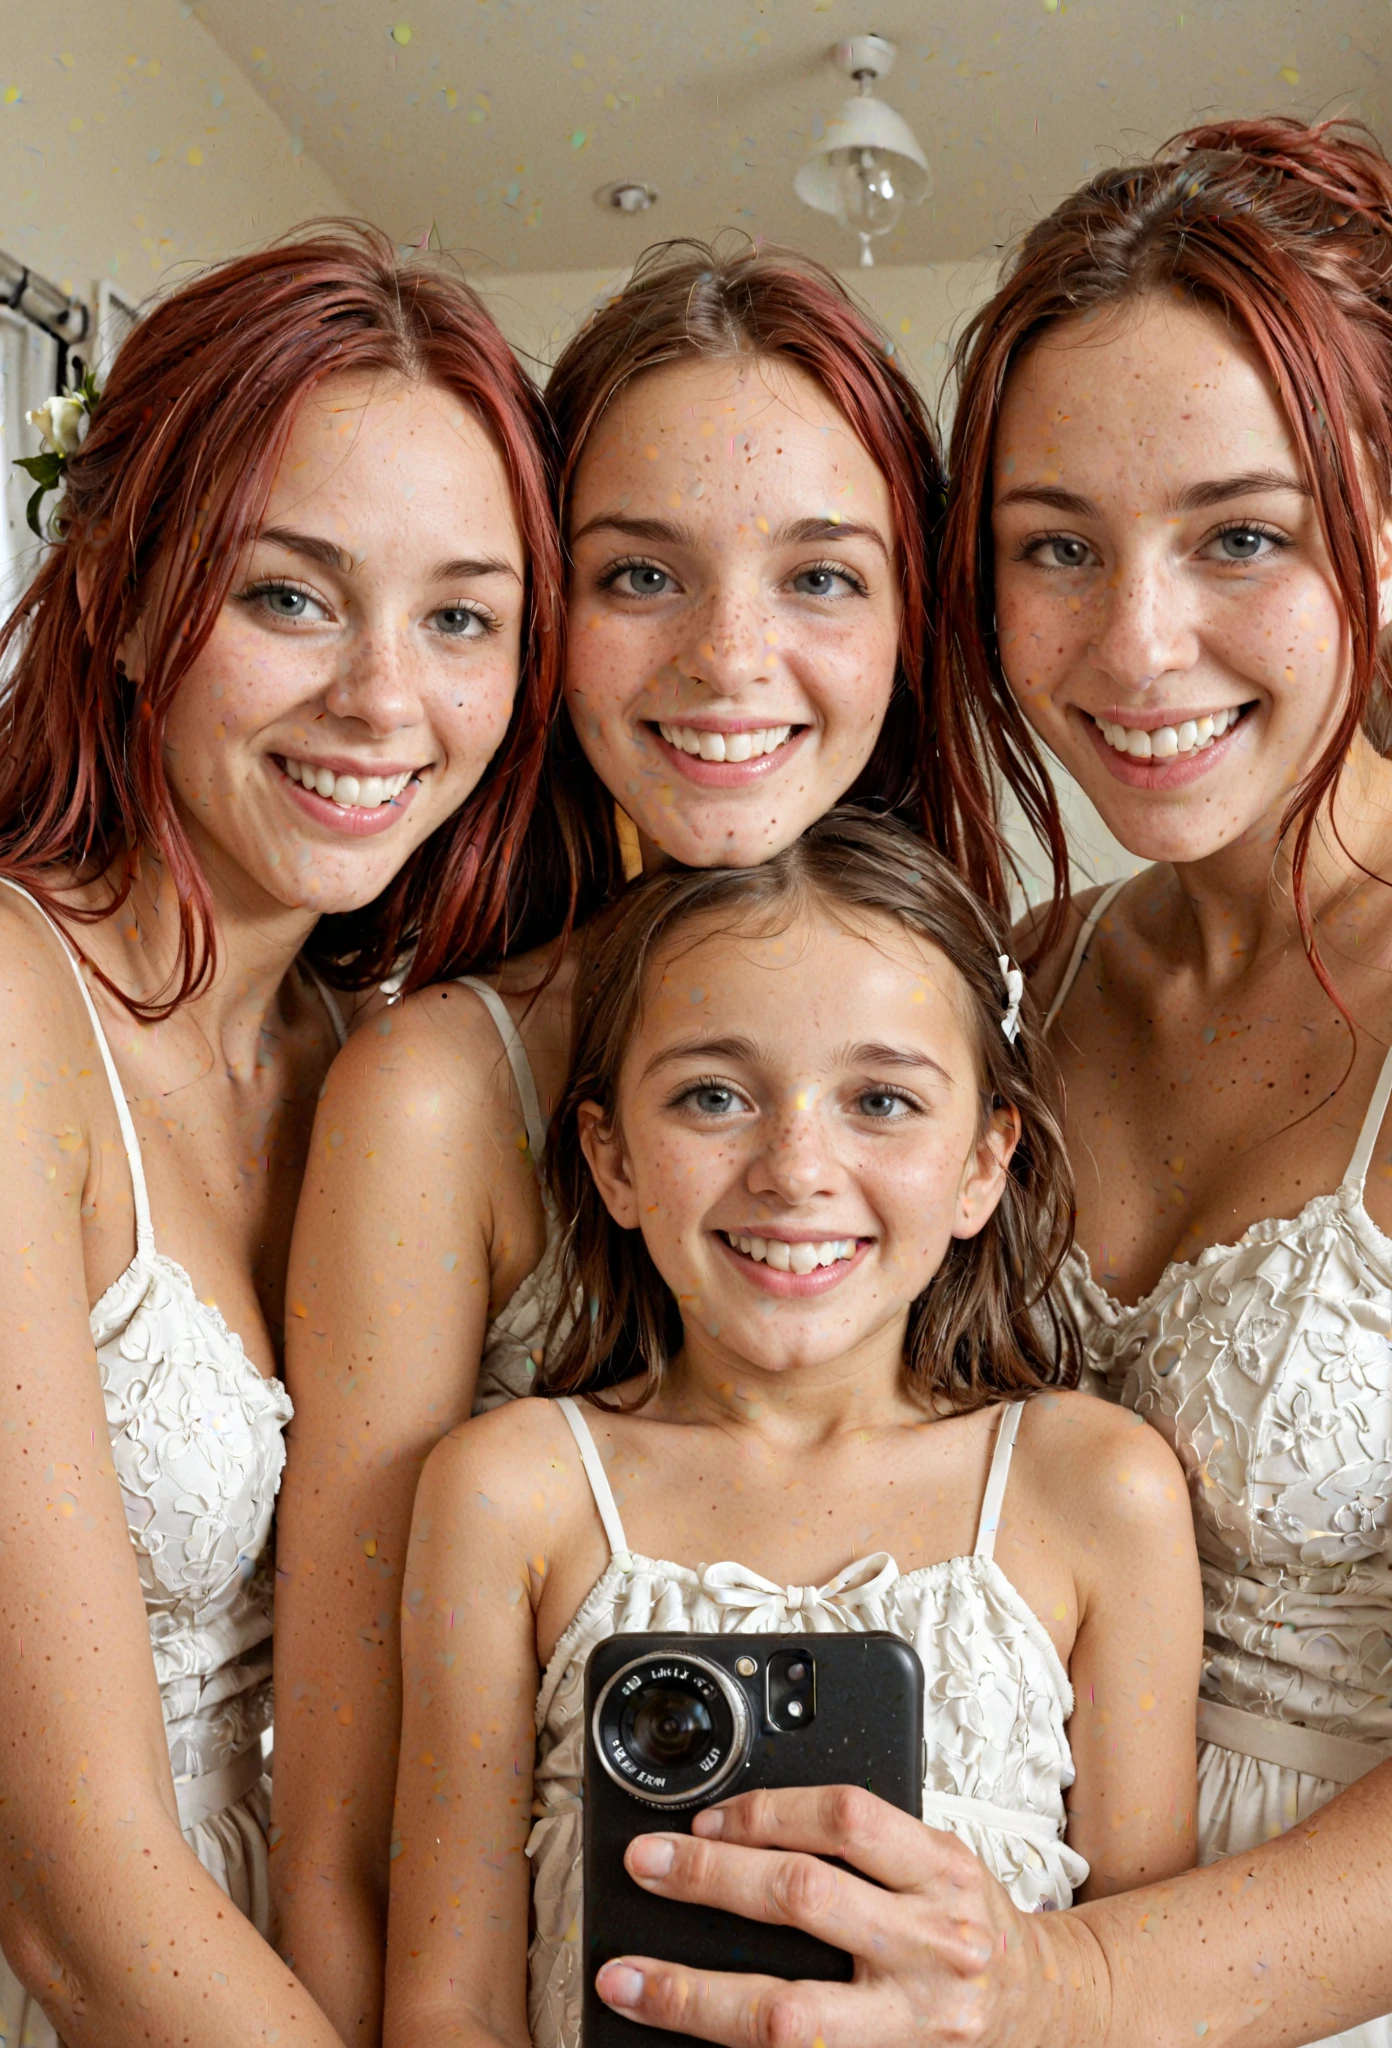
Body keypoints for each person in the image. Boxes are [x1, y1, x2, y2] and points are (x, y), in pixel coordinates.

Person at [584, 115, 1392, 2048]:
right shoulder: (1011, 987)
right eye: (1055, 547)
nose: (1135, 641)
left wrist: (1059, 1981)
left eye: (1240, 535)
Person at [272, 242, 999, 2040]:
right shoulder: (437, 1094)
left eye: (819, 575)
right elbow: (345, 1840)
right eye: (639, 575)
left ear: (914, 619)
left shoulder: (1000, 1015)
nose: (729, 658)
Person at [0, 222, 566, 2047]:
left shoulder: (373, 1053)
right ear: (117, 592)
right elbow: (70, 1896)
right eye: (290, 597)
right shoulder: (13, 1010)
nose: (384, 700)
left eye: (460, 617)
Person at [378, 806, 1201, 2048]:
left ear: (984, 1162)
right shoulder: (512, 1491)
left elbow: (1141, 1990)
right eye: (714, 1095)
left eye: (882, 1099)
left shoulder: (1094, 1490)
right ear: (610, 1156)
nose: (795, 1167)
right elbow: (451, 2002)